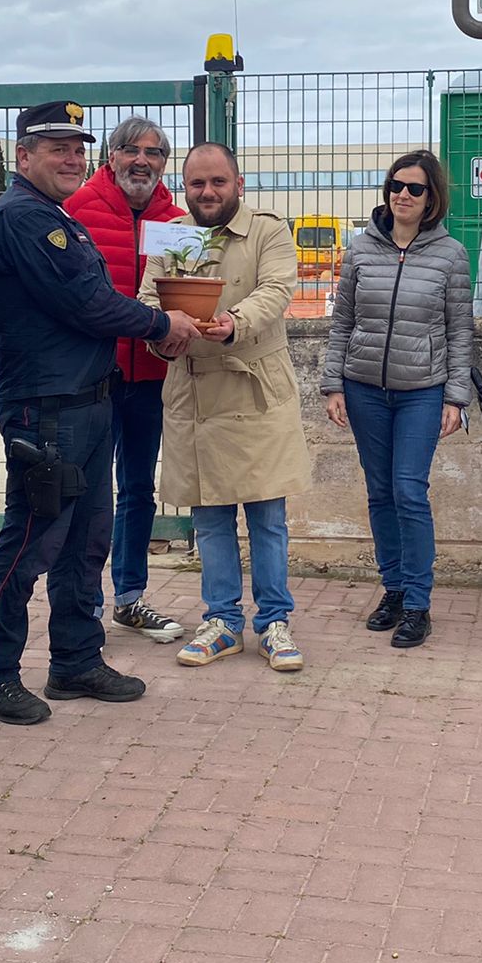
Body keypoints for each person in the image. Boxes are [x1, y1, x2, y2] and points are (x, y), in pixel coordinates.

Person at [0, 101, 208, 725]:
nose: (72, 159)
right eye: (58, 149)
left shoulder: (55, 215)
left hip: (89, 401)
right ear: (24, 156)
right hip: (47, 410)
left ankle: (75, 660)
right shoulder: (25, 219)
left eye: (78, 149)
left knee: (85, 542)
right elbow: (88, 303)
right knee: (29, 543)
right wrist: (161, 322)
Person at [138, 143, 312, 671]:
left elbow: (277, 289)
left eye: (218, 182)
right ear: (184, 187)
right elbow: (148, 299)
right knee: (209, 516)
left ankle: (275, 622)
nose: (207, 192)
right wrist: (162, 334)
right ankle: (221, 622)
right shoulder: (173, 234)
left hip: (254, 390)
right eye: (197, 183)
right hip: (193, 392)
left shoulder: (268, 230)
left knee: (267, 516)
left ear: (238, 183)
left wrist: (234, 321)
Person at [319, 150, 473, 649]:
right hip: (364, 388)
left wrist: (456, 397)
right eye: (396, 185)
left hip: (421, 392)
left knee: (409, 491)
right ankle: (394, 589)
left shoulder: (451, 254)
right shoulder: (361, 249)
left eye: (415, 188)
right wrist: (333, 383)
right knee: (380, 492)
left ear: (432, 198)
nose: (403, 195)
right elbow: (342, 321)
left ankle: (418, 604)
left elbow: (460, 332)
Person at [64, 116, 187, 644]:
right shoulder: (77, 209)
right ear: (111, 156)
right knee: (89, 492)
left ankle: (130, 597)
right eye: (131, 150)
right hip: (93, 376)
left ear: (164, 163)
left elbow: (189, 292)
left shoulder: (179, 222)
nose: (142, 160)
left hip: (152, 378)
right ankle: (84, 601)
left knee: (138, 489)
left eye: (153, 153)